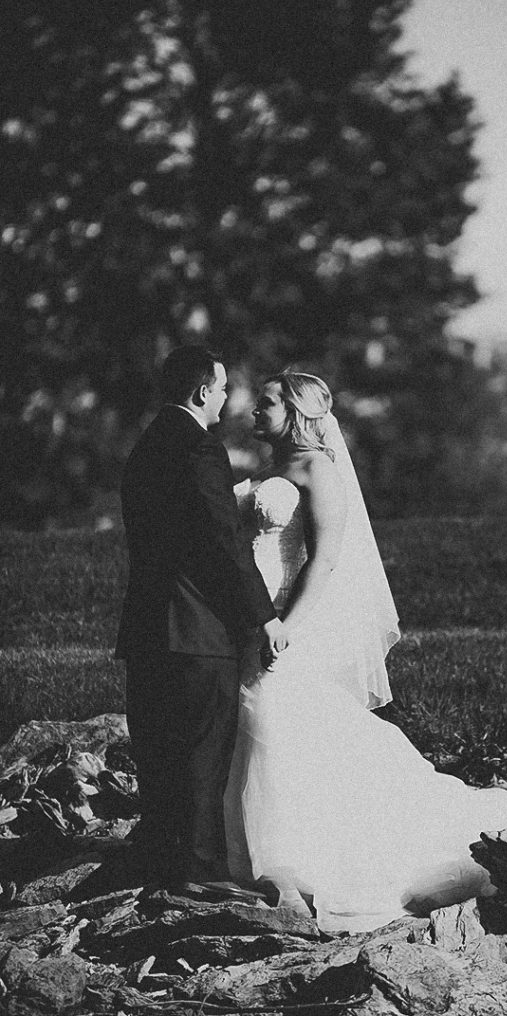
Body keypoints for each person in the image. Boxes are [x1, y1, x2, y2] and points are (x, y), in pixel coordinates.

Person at [224, 372, 507, 934]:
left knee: (274, 720)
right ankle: (266, 853)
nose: (253, 410)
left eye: (265, 402)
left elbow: (326, 559)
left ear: (293, 410)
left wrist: (285, 624)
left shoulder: (320, 470)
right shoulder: (272, 471)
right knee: (265, 726)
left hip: (288, 625)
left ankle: (305, 859)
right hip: (255, 624)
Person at [115, 345, 287, 893]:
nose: (223, 401)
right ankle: (197, 870)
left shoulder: (144, 448)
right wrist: (262, 617)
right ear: (199, 393)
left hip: (145, 628)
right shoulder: (200, 448)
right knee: (201, 754)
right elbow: (223, 543)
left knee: (157, 750)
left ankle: (162, 861)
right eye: (219, 391)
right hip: (196, 630)